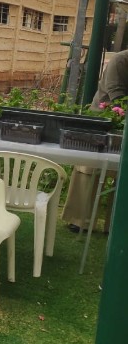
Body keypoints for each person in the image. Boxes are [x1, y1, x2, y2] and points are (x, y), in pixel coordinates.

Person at [62, 51, 128, 232]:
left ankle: (115, 225)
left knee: (124, 175)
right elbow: (118, 98)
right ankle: (78, 220)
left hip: (123, 122)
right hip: (102, 118)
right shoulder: (121, 60)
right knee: (88, 168)